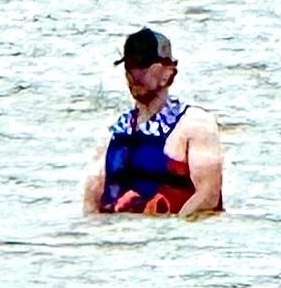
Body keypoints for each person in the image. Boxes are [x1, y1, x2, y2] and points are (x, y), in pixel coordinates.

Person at [84, 28, 223, 216]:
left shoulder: (196, 124)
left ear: (169, 71)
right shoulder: (115, 132)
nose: (135, 73)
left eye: (143, 65)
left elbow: (208, 196)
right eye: (129, 65)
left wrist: (168, 232)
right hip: (120, 238)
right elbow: (91, 204)